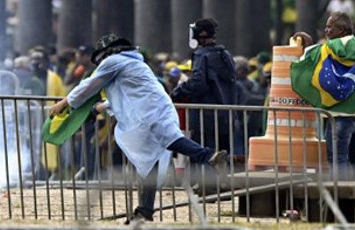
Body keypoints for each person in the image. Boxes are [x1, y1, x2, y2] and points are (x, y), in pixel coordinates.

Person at [50, 34, 228, 222]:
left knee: (168, 142)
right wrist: (100, 107)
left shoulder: (114, 61)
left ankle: (207, 156)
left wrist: (65, 102)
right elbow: (124, 95)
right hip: (156, 110)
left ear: (107, 52)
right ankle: (144, 211)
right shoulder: (135, 64)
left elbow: (90, 85)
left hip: (147, 114)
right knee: (148, 162)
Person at [170, 18, 237, 154]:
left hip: (205, 119)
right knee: (224, 157)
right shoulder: (226, 54)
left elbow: (197, 84)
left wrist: (176, 93)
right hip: (227, 117)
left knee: (203, 158)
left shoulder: (201, 56)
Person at [323, 11, 355, 177]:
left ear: (342, 30)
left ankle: (341, 199)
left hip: (340, 112)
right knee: (349, 158)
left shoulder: (337, 47)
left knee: (337, 158)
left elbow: (327, 49)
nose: (326, 31)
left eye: (330, 27)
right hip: (350, 112)